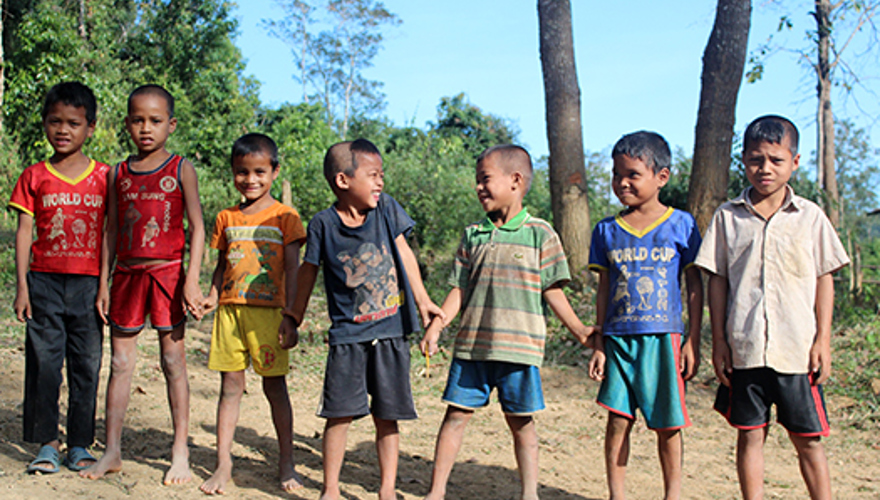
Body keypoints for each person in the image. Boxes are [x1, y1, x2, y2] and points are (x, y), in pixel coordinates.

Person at [420, 144, 595, 500]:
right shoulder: (474, 234)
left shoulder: (540, 233)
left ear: (515, 181)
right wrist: (438, 324)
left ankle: (529, 493)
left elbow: (553, 291)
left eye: (485, 179)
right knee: (455, 416)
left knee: (522, 423)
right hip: (472, 349)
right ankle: (436, 492)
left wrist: (580, 331)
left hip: (519, 350)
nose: (478, 188)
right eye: (477, 181)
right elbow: (459, 288)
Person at [695, 115, 849, 500]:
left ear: (794, 162)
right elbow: (718, 280)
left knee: (809, 439)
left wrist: (823, 340)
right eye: (755, 159)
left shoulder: (810, 216)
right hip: (746, 349)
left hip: (797, 349)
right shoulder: (729, 217)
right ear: (743, 161)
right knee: (750, 435)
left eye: (776, 160)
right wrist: (720, 343)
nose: (765, 169)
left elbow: (823, 277)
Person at [289, 138, 442, 500]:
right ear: (343, 181)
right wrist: (292, 315)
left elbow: (404, 255)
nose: (380, 183)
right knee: (339, 414)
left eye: (382, 175)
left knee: (387, 416)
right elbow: (309, 271)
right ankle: (330, 489)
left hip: (391, 330)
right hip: (348, 336)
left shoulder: (386, 209)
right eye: (373, 175)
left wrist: (423, 301)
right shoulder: (323, 224)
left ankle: (387, 489)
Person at [81, 84, 206, 484]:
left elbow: (198, 228)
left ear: (170, 124)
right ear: (127, 125)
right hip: (127, 277)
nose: (145, 128)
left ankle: (180, 450)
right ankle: (112, 450)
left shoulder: (180, 168)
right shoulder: (117, 172)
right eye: (137, 120)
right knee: (119, 364)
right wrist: (104, 282)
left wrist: (192, 280)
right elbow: (111, 230)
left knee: (173, 362)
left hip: (168, 273)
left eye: (154, 121)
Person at [585, 131, 703, 500]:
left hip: (663, 339)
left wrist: (692, 341)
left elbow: (695, 287)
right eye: (617, 174)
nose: (622, 182)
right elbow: (604, 289)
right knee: (618, 419)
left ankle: (673, 494)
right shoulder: (606, 231)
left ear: (661, 177)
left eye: (633, 174)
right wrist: (600, 341)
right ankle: (616, 494)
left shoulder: (681, 225)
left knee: (668, 424)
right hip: (619, 340)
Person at [9, 82, 109, 474]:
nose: (63, 130)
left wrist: (104, 285)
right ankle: (47, 442)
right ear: (45, 125)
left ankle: (80, 442)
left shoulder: (105, 177)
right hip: (44, 284)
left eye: (73, 123)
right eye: (55, 122)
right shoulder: (34, 176)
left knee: (86, 364)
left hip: (88, 285)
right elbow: (23, 232)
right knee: (44, 363)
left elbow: (109, 233)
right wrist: (22, 286)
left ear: (91, 127)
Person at [198, 133, 305, 495]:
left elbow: (294, 269)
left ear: (274, 171)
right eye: (242, 172)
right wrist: (213, 295)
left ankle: (287, 461)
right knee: (230, 388)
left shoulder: (285, 217)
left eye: (259, 171)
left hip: (269, 316)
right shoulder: (225, 217)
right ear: (233, 173)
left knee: (275, 387)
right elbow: (220, 266)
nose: (250, 180)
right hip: (229, 315)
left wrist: (291, 316)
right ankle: (223, 463)